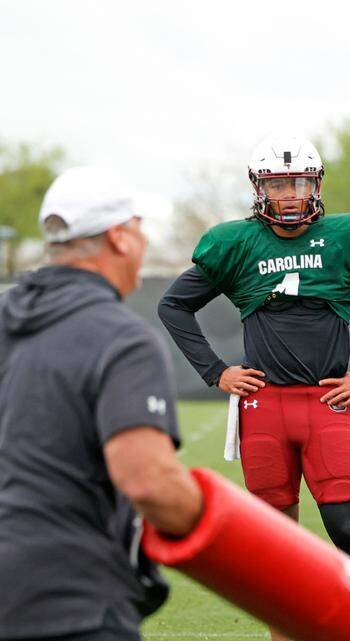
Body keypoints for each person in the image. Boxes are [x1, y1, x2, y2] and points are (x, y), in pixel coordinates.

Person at [157, 133, 350, 641]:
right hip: (265, 407)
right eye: (278, 184)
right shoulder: (236, 242)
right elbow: (173, 305)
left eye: (298, 182)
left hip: (327, 404)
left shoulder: (349, 235)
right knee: (276, 544)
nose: (289, 194)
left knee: (347, 528)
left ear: (316, 185)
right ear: (260, 190)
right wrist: (215, 371)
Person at [0, 167, 202, 640]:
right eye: (139, 227)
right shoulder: (122, 338)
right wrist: (234, 535)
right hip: (72, 603)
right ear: (120, 238)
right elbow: (147, 480)